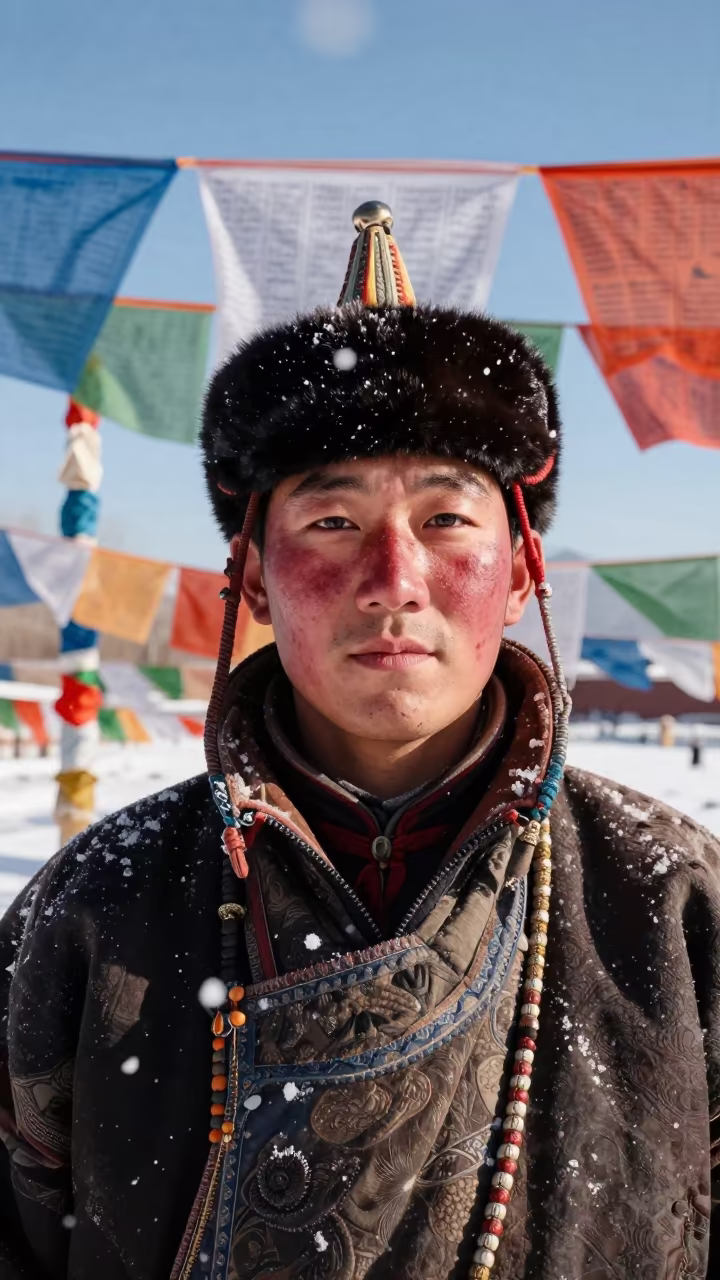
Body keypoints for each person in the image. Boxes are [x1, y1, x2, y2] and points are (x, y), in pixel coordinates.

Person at [0, 201, 718, 1280]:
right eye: (332, 522)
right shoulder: (96, 906)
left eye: (447, 520)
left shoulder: (670, 903)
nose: (394, 582)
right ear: (250, 573)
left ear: (523, 570)